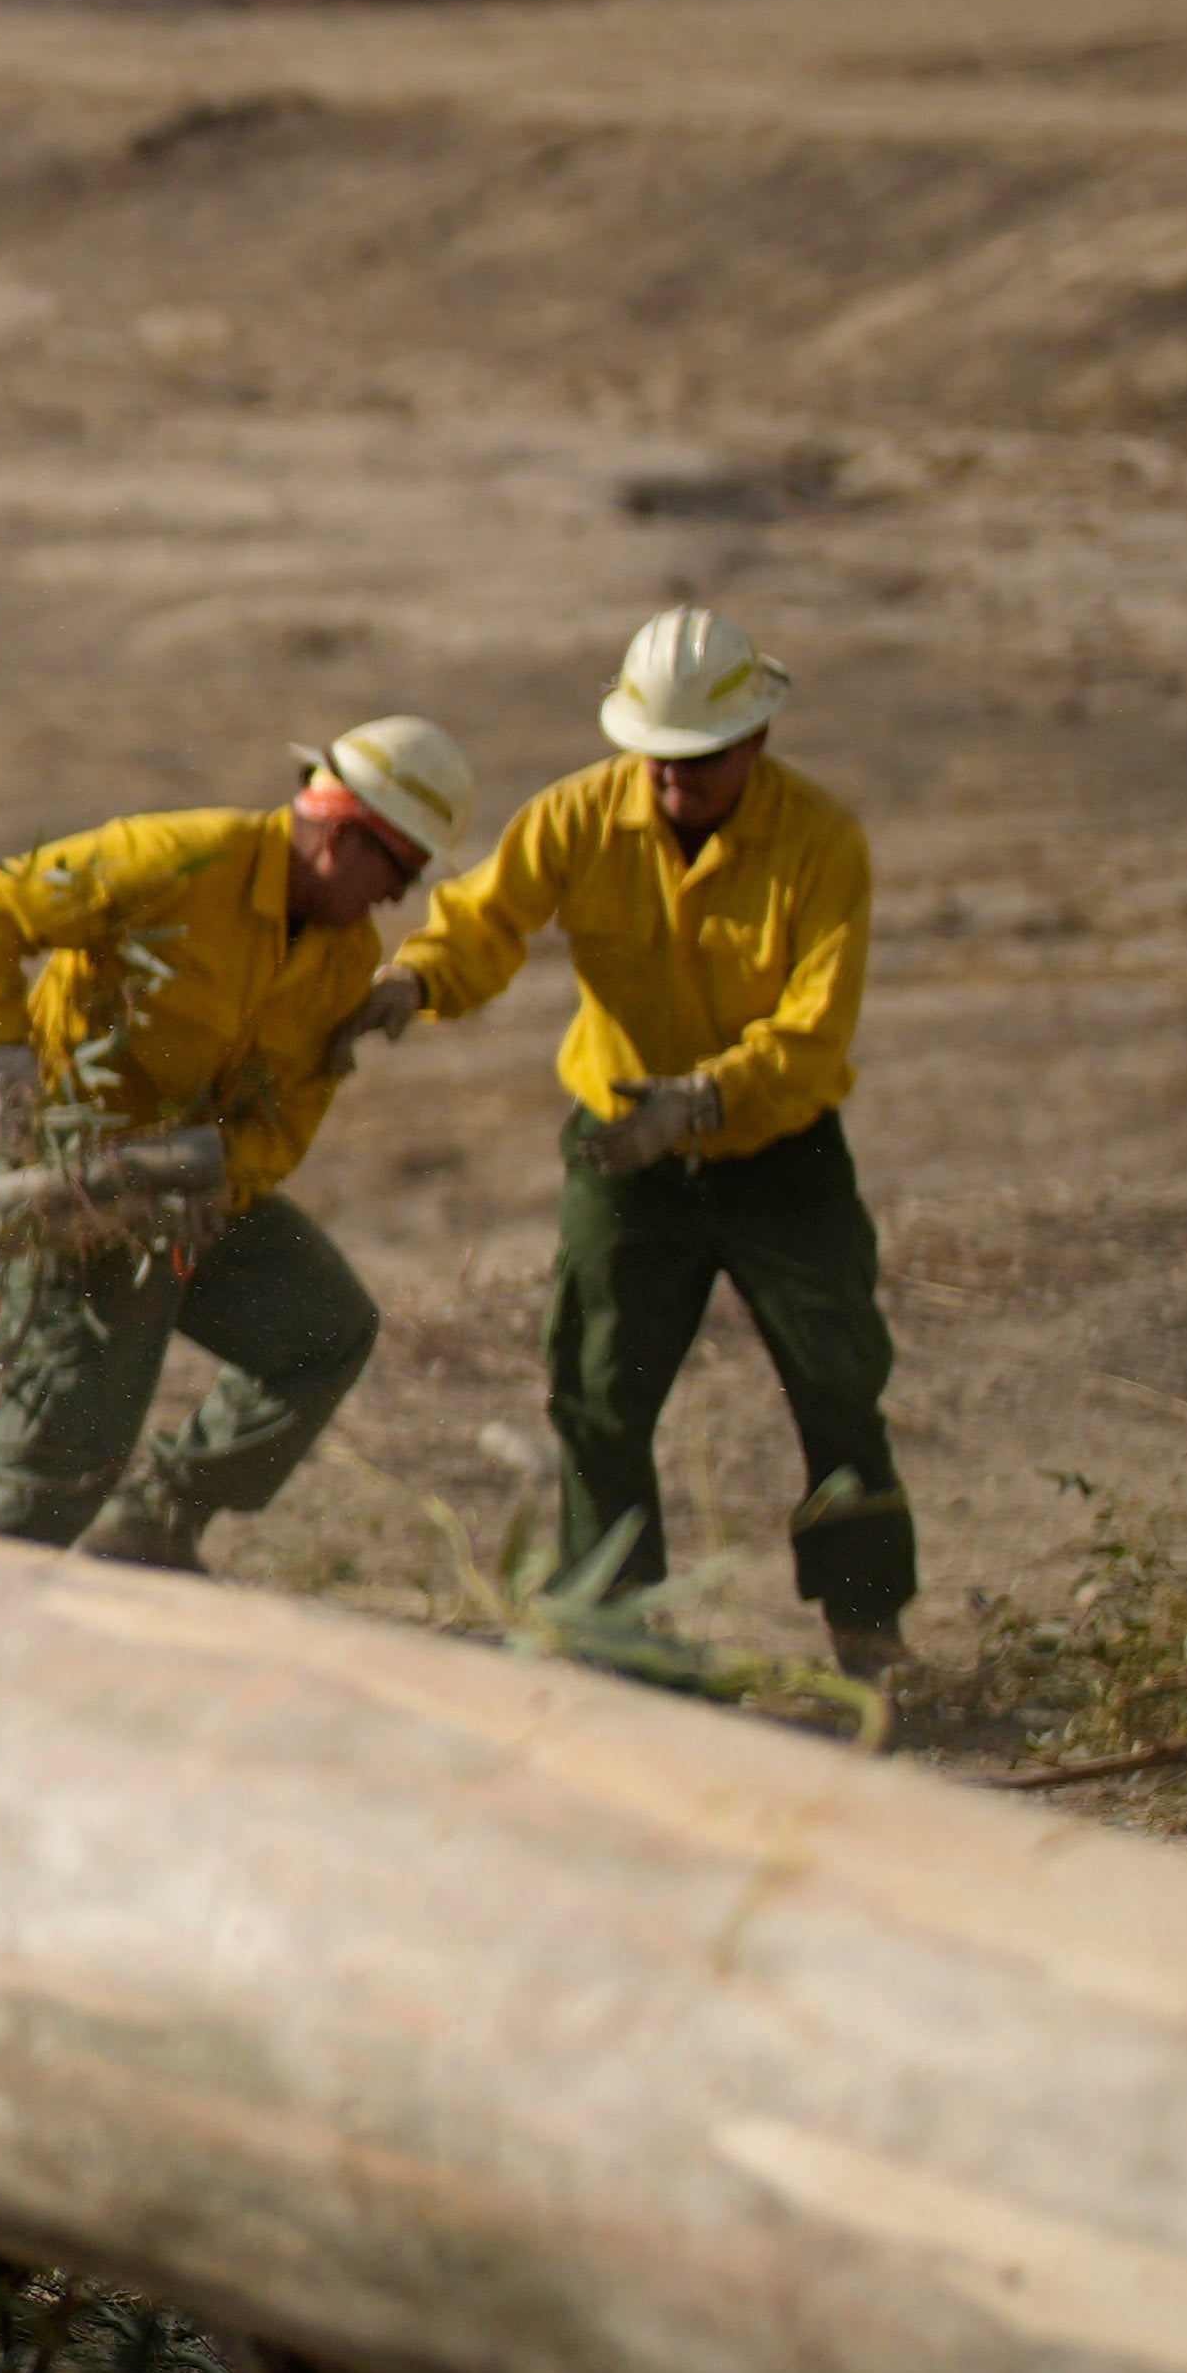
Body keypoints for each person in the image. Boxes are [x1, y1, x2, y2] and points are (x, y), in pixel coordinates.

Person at [370, 602, 905, 1677]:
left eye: (700, 762)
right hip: (624, 1150)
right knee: (596, 1388)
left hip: (776, 1153)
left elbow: (813, 1030)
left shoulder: (822, 842)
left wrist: (703, 1101)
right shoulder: (576, 817)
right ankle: (618, 1637)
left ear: (755, 740)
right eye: (655, 761)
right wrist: (417, 979)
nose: (673, 784)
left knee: (837, 1376)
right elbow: (486, 916)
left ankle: (868, 1630)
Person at [0, 719, 478, 1568]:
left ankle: (151, 1529)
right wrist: (4, 1059)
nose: (397, 901)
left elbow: (286, 1120)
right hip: (76, 1183)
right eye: (401, 872)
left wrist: (227, 1185)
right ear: (343, 839)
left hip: (192, 1194)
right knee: (67, 1455)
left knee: (324, 1331)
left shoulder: (344, 961)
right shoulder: (182, 859)